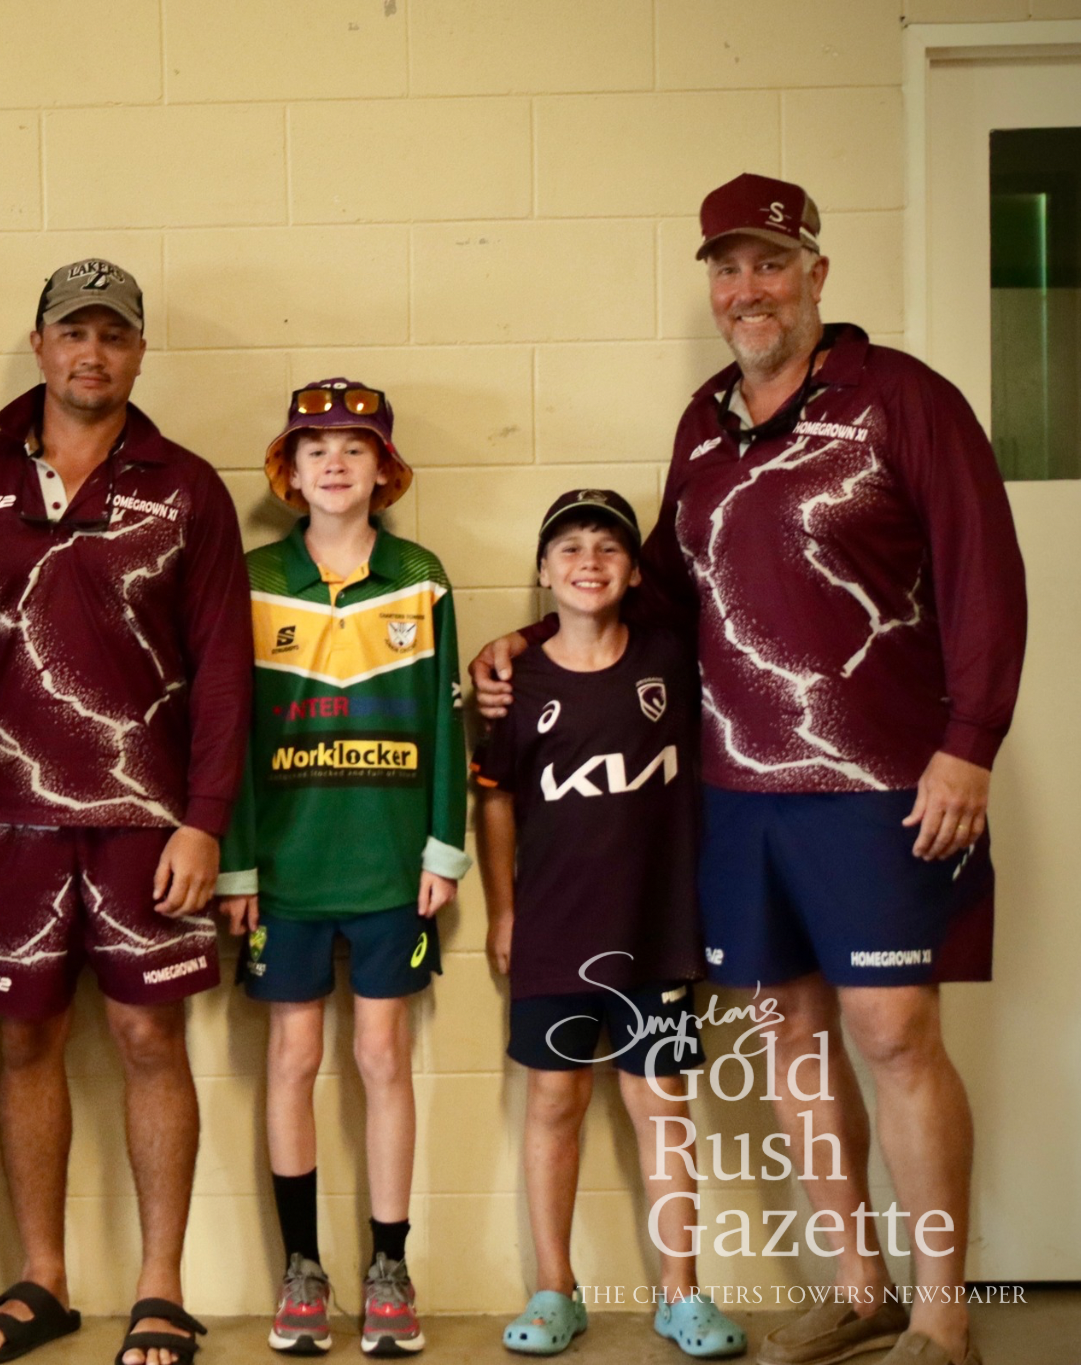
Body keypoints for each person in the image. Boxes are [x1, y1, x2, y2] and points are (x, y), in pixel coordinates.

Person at [471, 175, 1027, 1365]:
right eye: (725, 267)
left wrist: (967, 743)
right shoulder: (701, 422)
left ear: (816, 273)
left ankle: (941, 1316)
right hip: (733, 794)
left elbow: (983, 570)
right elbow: (666, 589)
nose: (746, 288)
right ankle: (860, 1286)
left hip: (881, 783)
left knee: (892, 1035)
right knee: (790, 1032)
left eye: (769, 262)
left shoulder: (903, 402)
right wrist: (532, 640)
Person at [0, 260, 252, 1365]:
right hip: (3, 817)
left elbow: (222, 668)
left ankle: (160, 1287)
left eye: (114, 336)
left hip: (144, 821)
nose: (91, 354)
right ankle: (42, 1279)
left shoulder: (186, 485)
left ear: (139, 353)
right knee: (24, 1042)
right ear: (38, 343)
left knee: (148, 1036)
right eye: (73, 333)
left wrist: (204, 817)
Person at [213, 379, 465, 1358]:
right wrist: (234, 870)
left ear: (384, 469)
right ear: (286, 468)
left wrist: (441, 849)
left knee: (380, 1060)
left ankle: (389, 1267)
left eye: (354, 446)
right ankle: (302, 1270)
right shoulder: (249, 577)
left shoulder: (420, 575)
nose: (332, 460)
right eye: (312, 444)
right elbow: (224, 739)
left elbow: (449, 724)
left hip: (391, 870)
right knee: (291, 1060)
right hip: (284, 871)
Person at [472, 490, 744, 1360]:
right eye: (569, 548)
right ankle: (555, 1289)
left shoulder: (673, 655)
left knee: (662, 1106)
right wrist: (507, 909)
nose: (588, 561)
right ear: (545, 571)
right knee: (555, 1102)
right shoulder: (516, 680)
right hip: (555, 930)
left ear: (631, 570)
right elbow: (498, 801)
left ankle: (682, 1295)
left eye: (607, 548)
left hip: (657, 926)